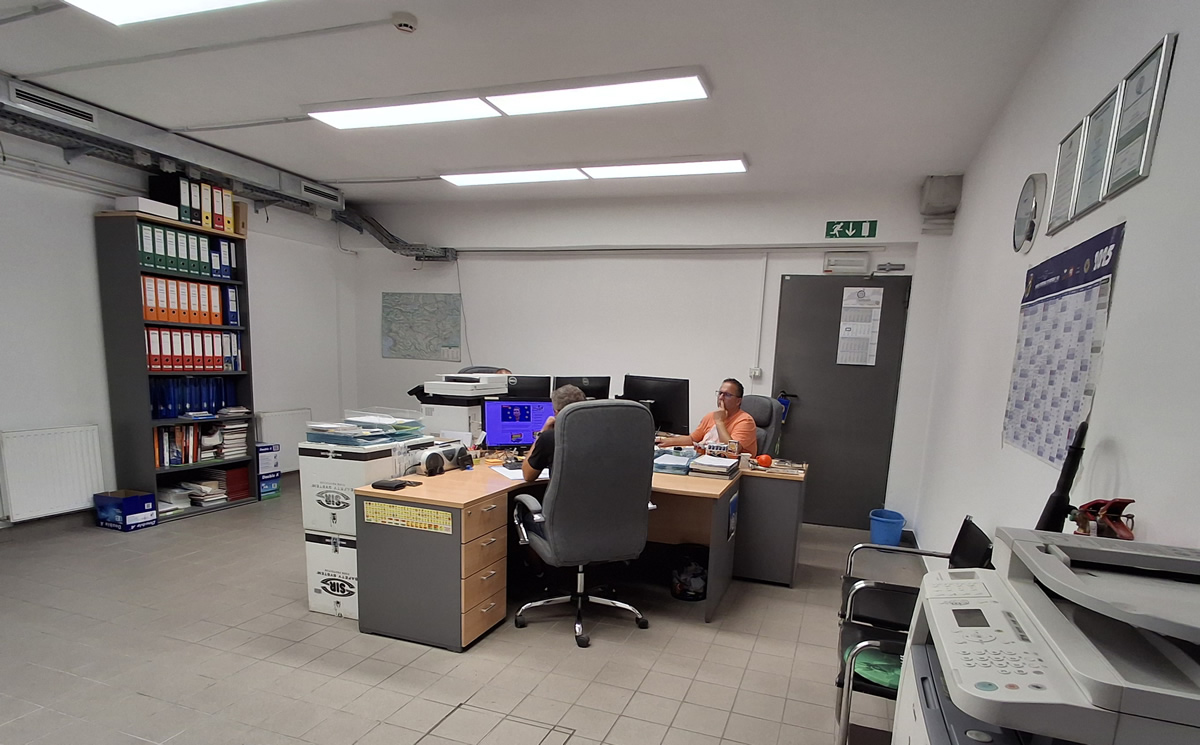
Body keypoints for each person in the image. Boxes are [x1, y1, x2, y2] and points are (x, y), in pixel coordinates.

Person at [656, 378, 757, 457]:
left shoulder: (745, 421)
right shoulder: (710, 416)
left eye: (727, 395)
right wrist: (665, 441)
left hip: (733, 468)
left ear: (738, 401)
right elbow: (693, 439)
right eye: (720, 393)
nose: (721, 398)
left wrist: (719, 422)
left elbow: (732, 450)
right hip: (704, 462)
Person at [522, 384, 586, 481]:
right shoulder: (600, 434)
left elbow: (527, 475)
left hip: (565, 491)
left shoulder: (550, 438)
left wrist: (541, 433)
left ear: (557, 413)